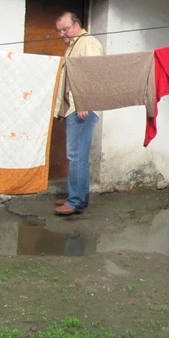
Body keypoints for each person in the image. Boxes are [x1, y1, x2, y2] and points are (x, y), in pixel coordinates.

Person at [53, 12, 103, 216]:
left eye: (65, 29)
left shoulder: (88, 43)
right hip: (73, 108)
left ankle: (75, 202)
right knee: (75, 156)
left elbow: (94, 73)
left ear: (76, 25)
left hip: (82, 108)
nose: (62, 34)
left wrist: (85, 102)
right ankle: (76, 196)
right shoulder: (74, 46)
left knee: (77, 157)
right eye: (59, 31)